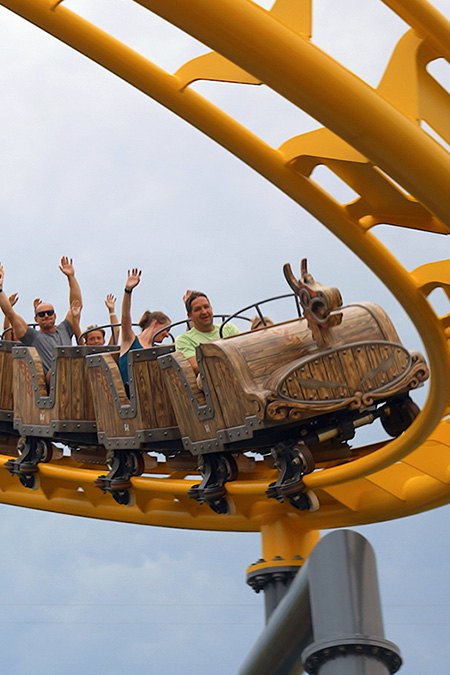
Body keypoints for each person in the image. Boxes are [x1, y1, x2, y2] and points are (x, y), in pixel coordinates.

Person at [0, 257, 83, 383]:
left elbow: (76, 305)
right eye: (41, 314)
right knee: (58, 366)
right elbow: (10, 314)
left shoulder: (64, 329)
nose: (46, 316)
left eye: (49, 313)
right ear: (36, 319)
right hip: (52, 383)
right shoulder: (32, 336)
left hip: (74, 376)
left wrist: (71, 277)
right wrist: (0, 289)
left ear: (55, 316)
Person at [119, 268, 171, 386]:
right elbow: (125, 316)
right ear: (156, 323)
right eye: (166, 329)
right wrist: (128, 291)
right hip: (133, 395)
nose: (167, 335)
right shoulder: (130, 340)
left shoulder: (156, 349)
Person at [175, 290, 240, 375]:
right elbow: (196, 367)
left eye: (206, 307)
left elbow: (245, 349)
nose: (204, 312)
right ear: (190, 316)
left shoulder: (228, 328)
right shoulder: (184, 340)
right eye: (198, 309)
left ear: (211, 309)